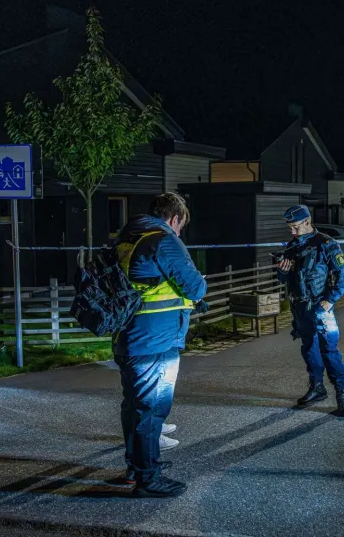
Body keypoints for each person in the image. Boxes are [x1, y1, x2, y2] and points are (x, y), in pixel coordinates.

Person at [112, 192, 207, 498]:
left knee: (135, 406)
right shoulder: (163, 240)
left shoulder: (128, 238)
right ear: (175, 218)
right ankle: (147, 479)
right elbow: (195, 286)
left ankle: (138, 466)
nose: (179, 233)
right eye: (180, 226)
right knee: (151, 408)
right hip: (154, 339)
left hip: (130, 335)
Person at [276, 205, 344, 417]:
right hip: (300, 307)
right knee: (309, 348)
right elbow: (286, 278)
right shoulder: (292, 246)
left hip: (320, 307)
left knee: (329, 350)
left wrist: (330, 300)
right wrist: (282, 272)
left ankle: (342, 395)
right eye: (290, 228)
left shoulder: (326, 244)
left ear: (307, 222)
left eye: (295, 227)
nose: (292, 232)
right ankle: (317, 388)